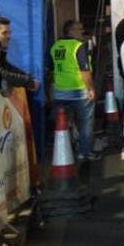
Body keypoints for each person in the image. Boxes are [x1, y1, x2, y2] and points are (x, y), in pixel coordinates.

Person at [50, 19, 98, 160]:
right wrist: (91, 88)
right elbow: (84, 70)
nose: (82, 31)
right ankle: (85, 152)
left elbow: (53, 70)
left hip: (60, 92)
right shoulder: (78, 46)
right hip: (79, 90)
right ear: (70, 31)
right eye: (78, 29)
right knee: (85, 123)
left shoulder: (56, 46)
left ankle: (65, 151)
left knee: (64, 124)